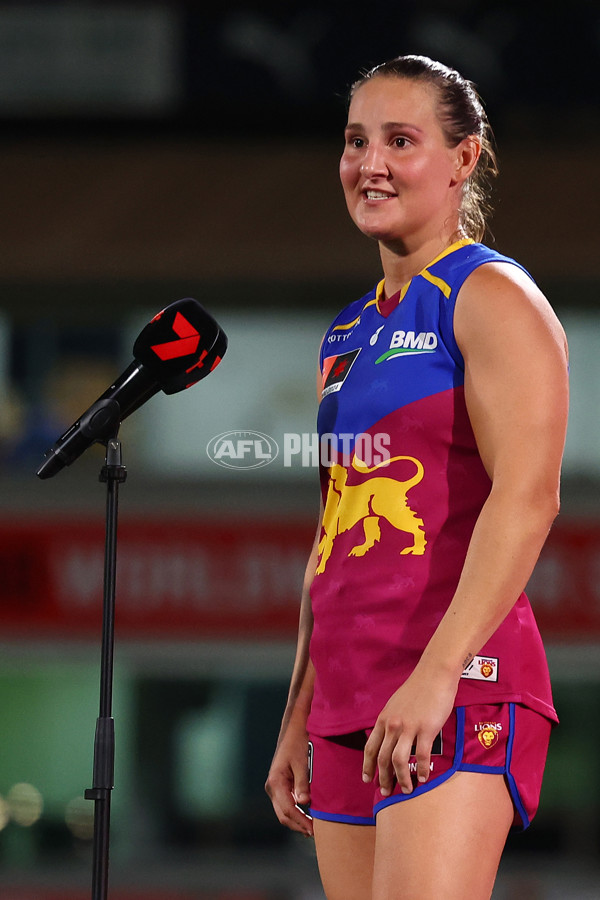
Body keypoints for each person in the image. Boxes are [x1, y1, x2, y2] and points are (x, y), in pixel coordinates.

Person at [265, 54, 569, 900]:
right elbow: (334, 536)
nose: (372, 164)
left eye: (402, 141)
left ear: (464, 159)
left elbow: (530, 498)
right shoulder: (346, 333)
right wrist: (300, 710)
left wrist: (435, 678)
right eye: (357, 140)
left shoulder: (490, 296)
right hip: (348, 696)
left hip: (459, 684)